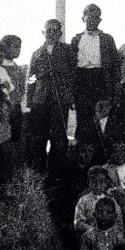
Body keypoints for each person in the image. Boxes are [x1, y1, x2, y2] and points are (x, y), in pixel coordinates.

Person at [26, 19, 76, 174]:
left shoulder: (67, 51)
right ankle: (39, 172)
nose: (52, 33)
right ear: (43, 32)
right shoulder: (37, 53)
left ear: (60, 34)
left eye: (56, 30)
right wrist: (30, 99)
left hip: (60, 99)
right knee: (39, 138)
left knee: (59, 138)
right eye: (49, 30)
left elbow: (74, 75)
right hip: (40, 100)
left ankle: (56, 173)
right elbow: (31, 78)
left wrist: (71, 95)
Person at [72, 4, 121, 144]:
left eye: (96, 18)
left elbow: (115, 65)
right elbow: (72, 66)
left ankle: (102, 153)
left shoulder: (107, 39)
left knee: (102, 117)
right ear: (83, 18)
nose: (92, 20)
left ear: (100, 20)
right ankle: (83, 156)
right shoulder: (76, 39)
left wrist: (114, 87)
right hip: (82, 80)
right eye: (89, 17)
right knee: (83, 118)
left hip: (101, 79)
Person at [0, 35, 27, 145]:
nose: (18, 50)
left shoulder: (17, 67)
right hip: (5, 107)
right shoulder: (0, 66)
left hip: (17, 106)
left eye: (19, 47)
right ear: (5, 48)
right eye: (15, 47)